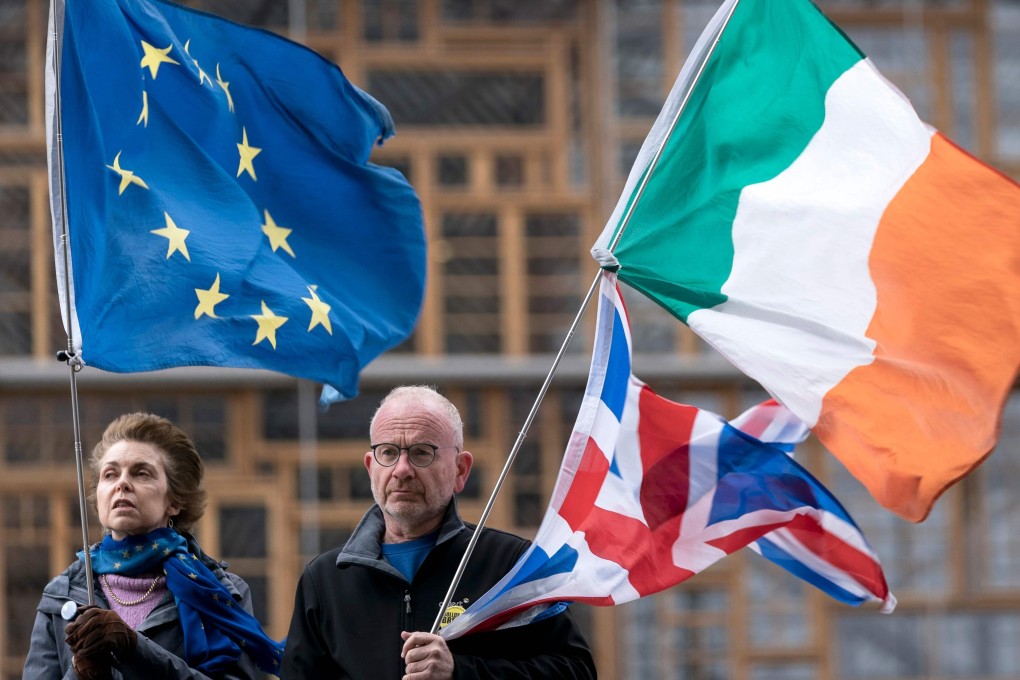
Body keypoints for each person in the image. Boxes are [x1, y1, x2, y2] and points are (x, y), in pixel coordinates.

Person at [282, 385, 597, 679]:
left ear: (461, 470)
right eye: (388, 452)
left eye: (421, 452)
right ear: (370, 467)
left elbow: (575, 670)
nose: (402, 470)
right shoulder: (326, 579)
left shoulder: (510, 565)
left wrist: (460, 671)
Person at [24, 412, 284, 679]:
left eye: (141, 473)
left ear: (174, 501)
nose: (122, 484)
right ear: (97, 495)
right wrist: (82, 674)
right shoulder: (62, 595)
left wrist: (135, 649)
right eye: (110, 474)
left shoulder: (223, 591)